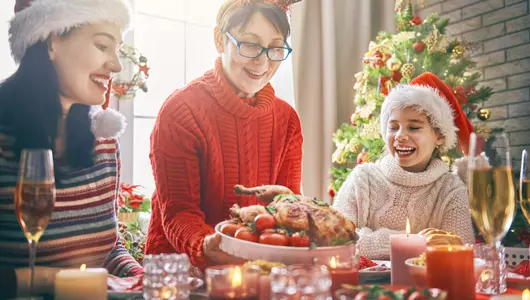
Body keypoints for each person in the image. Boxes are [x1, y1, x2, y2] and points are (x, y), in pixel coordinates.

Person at [145, 0, 303, 267]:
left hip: (257, 270)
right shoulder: (181, 111)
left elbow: (285, 208)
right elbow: (178, 213)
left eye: (275, 48)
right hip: (180, 272)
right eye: (250, 44)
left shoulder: (287, 119)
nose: (263, 61)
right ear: (220, 40)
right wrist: (209, 245)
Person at [0, 0, 142, 297]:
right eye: (103, 46)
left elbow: (106, 249)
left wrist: (139, 276)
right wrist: (50, 281)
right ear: (52, 42)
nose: (116, 65)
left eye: (117, 49)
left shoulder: (103, 140)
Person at [332, 72, 475, 260]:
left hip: (427, 287)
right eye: (393, 127)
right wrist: (417, 243)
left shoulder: (451, 189)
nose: (400, 135)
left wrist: (366, 237)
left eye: (414, 127)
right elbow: (337, 240)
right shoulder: (362, 178)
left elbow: (459, 251)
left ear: (439, 136)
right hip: (363, 286)